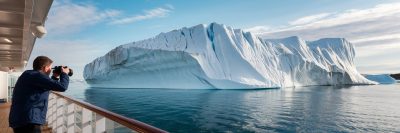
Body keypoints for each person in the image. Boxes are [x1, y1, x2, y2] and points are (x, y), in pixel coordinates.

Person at [9, 56, 70, 133]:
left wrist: (54, 77)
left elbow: (48, 84)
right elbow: (62, 87)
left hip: (21, 118)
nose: (51, 70)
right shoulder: (37, 76)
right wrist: (64, 73)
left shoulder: (29, 74)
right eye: (50, 68)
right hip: (28, 121)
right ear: (45, 68)